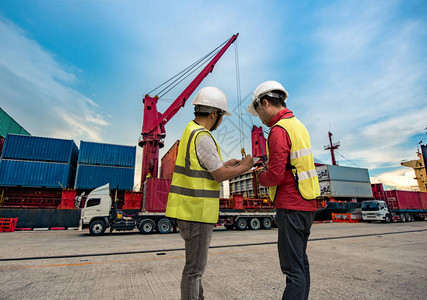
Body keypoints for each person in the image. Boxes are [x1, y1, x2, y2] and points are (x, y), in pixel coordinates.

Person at [166, 86, 254, 300]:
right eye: (222, 116)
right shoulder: (203, 137)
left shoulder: (190, 130)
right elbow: (219, 175)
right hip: (197, 213)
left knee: (195, 269)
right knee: (194, 271)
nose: (221, 121)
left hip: (189, 211)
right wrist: (246, 166)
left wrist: (227, 163)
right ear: (215, 114)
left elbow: (205, 169)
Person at [248, 80, 320, 300]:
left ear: (266, 103)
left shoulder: (278, 130)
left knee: (292, 270)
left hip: (291, 206)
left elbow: (276, 176)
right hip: (307, 204)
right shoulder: (298, 125)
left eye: (258, 112)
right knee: (301, 265)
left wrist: (259, 174)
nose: (260, 118)